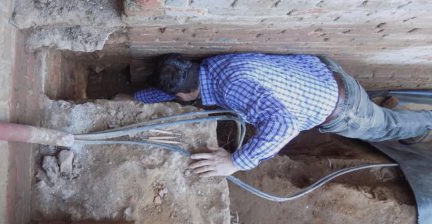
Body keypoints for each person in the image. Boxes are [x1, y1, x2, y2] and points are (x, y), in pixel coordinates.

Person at [134, 53, 432, 177]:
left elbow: (284, 125)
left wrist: (235, 162)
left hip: (344, 108)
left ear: (182, 96)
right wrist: (135, 99)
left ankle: (424, 125)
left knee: (387, 126)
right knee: (377, 115)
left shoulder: (232, 89)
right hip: (322, 76)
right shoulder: (211, 66)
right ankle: (384, 112)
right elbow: (176, 93)